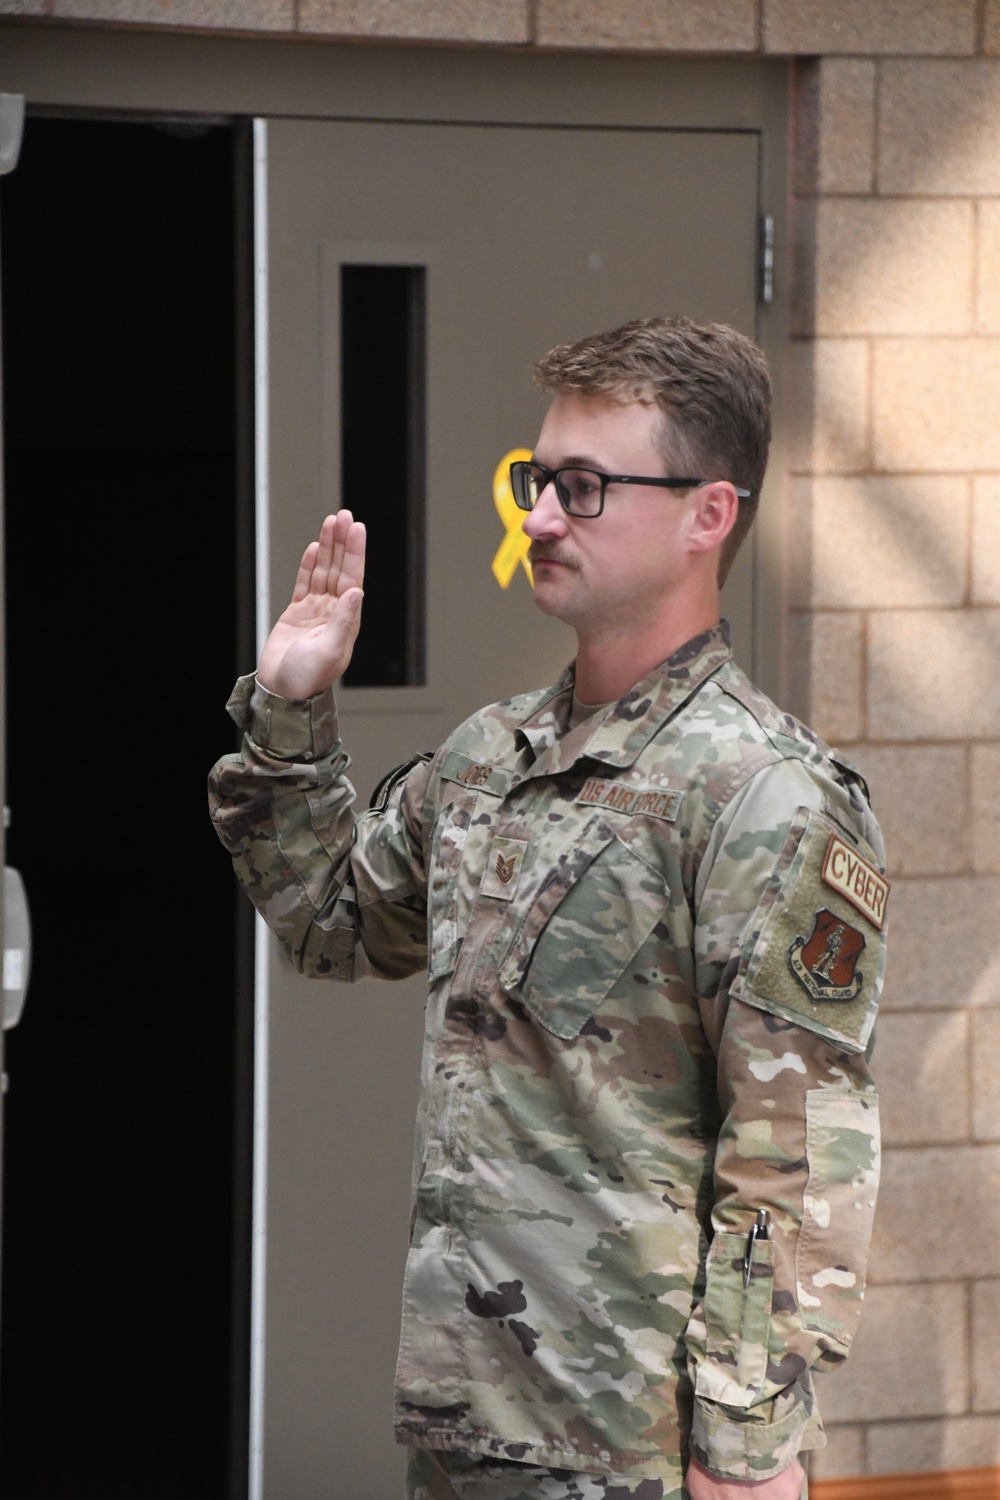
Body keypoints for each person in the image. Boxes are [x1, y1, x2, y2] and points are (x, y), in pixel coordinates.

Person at [209, 316, 887, 1500]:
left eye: (581, 487)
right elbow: (333, 922)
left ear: (706, 515)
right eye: (537, 482)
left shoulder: (762, 798)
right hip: (468, 1411)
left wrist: (744, 1441)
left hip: (632, 1443)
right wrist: (288, 710)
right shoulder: (489, 757)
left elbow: (795, 1158)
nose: (537, 518)